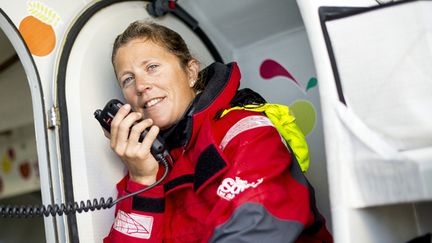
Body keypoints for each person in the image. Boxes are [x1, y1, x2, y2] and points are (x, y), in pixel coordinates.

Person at [103, 20, 333, 243]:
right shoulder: (144, 165)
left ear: (191, 72)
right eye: (128, 79)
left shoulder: (245, 130)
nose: (141, 86)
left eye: (152, 67)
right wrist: (142, 181)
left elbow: (257, 227)